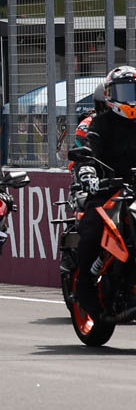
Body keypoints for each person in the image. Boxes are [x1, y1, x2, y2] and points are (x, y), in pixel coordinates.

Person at [67, 67, 136, 317]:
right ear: (110, 95)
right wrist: (88, 172)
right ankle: (85, 284)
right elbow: (89, 149)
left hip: (135, 190)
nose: (130, 98)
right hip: (109, 189)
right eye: (125, 92)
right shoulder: (101, 123)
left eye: (134, 92)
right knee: (93, 225)